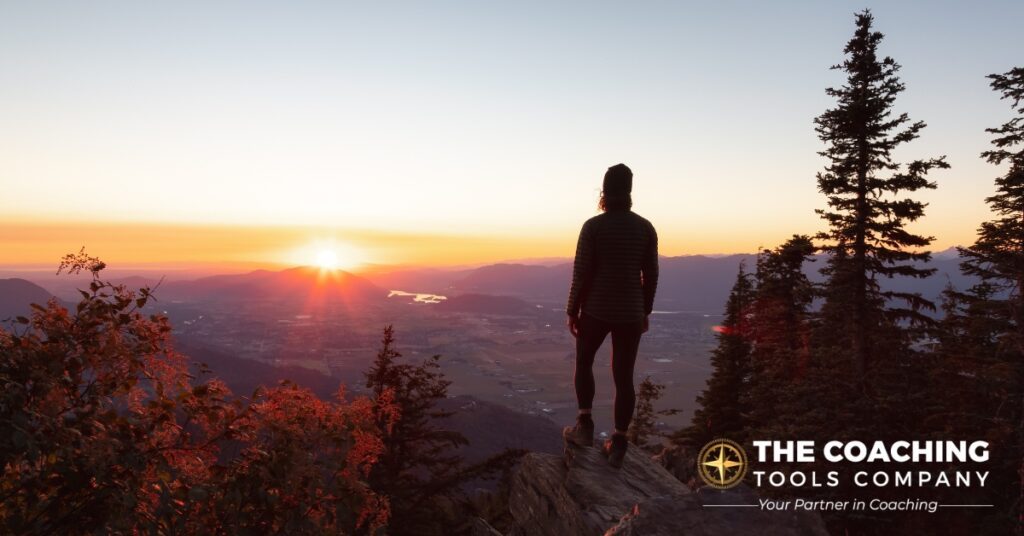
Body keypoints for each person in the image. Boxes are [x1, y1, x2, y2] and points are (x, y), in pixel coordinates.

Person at [563, 163, 658, 468]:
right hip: (630, 312)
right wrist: (645, 310)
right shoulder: (645, 228)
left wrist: (572, 309)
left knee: (584, 362)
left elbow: (582, 272)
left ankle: (585, 426)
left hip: (596, 309)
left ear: (604, 191)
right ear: (630, 191)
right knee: (624, 375)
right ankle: (618, 443)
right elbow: (651, 275)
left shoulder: (594, 227)